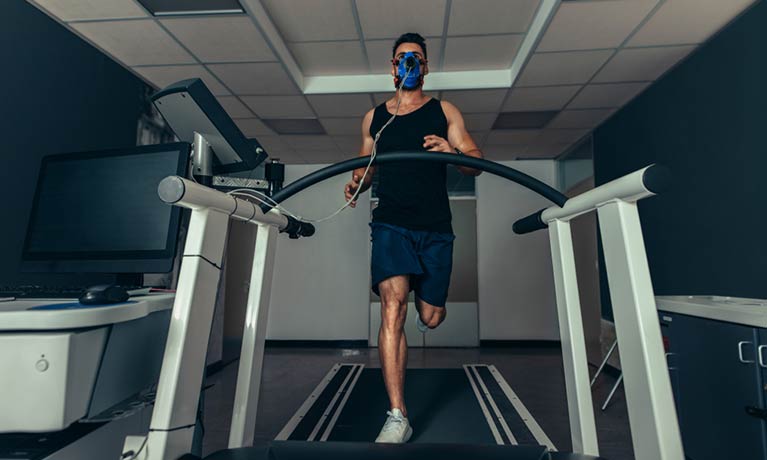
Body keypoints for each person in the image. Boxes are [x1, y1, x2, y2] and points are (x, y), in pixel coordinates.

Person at [343, 32, 484, 444]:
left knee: (430, 317)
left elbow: (475, 164)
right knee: (392, 308)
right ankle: (397, 415)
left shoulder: (445, 111)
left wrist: (450, 151)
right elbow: (367, 170)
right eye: (402, 58)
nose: (408, 63)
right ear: (392, 68)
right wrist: (357, 184)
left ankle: (429, 300)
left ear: (425, 68)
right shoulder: (373, 118)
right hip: (390, 223)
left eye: (416, 59)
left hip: (436, 228)